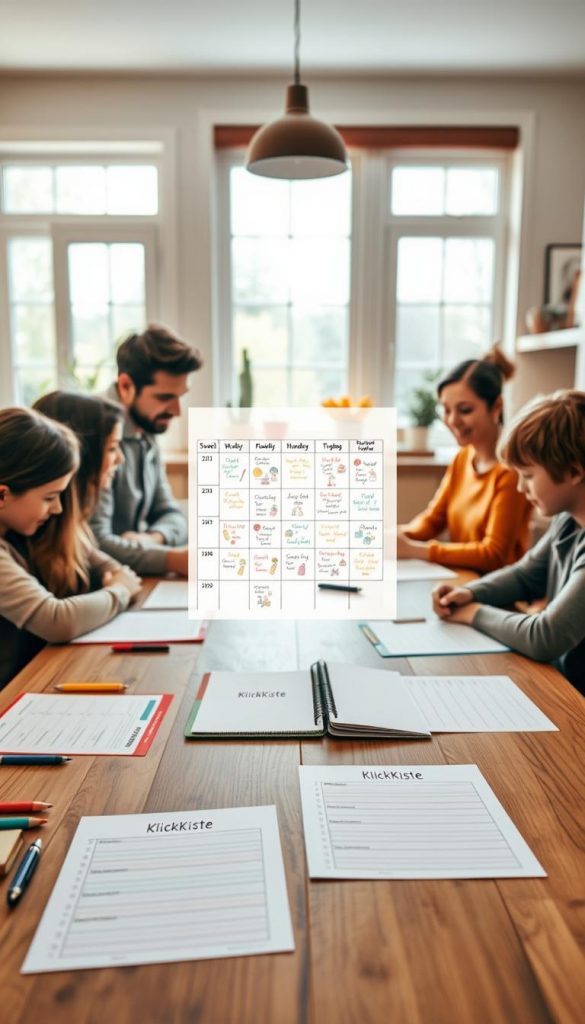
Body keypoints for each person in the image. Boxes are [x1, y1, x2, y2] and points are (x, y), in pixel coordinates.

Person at [432, 390, 585, 693]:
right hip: (561, 683)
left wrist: (472, 612)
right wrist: (467, 592)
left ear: (574, 472)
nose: (520, 487)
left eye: (527, 475)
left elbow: (546, 637)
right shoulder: (568, 520)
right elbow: (526, 574)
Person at [0, 408, 141, 689]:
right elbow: (56, 619)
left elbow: (103, 562)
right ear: (3, 495)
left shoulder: (18, 532)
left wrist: (117, 578)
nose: (58, 508)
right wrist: (120, 591)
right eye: (49, 497)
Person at [398, 346, 532, 573]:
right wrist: (397, 537)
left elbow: (494, 554)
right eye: (446, 410)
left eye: (465, 410)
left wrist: (415, 550)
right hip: (460, 581)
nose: (453, 420)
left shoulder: (511, 471)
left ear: (497, 406)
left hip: (497, 593)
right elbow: (433, 520)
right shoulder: (463, 458)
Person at [90, 324, 203, 575]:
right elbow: (95, 543)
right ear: (126, 386)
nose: (176, 411)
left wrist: (153, 539)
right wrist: (174, 560)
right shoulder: (96, 432)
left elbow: (170, 513)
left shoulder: (146, 425)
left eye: (180, 396)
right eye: (165, 398)